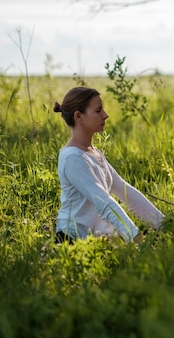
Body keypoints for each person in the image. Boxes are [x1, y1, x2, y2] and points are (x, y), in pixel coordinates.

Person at [53, 87, 164, 243]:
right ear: (79, 116)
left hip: (100, 240)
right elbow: (104, 202)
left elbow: (126, 193)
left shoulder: (94, 153)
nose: (105, 115)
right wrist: (136, 239)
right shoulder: (72, 157)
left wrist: (164, 224)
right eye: (98, 111)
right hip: (74, 241)